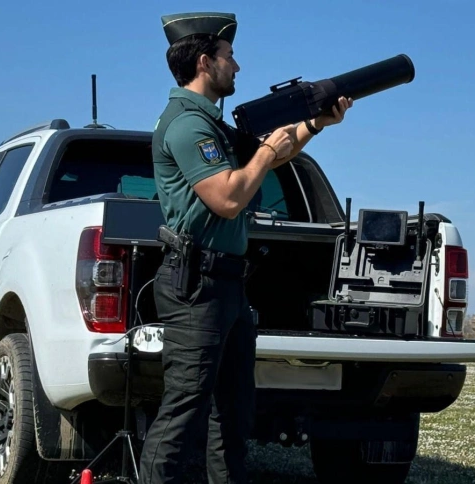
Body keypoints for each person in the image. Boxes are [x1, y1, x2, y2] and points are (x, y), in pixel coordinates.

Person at [139, 11, 353, 484]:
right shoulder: (188, 126)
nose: (237, 67)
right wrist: (265, 152)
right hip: (196, 287)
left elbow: (276, 150)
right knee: (183, 414)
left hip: (227, 284)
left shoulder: (209, 123)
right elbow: (230, 197)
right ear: (204, 62)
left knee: (233, 416)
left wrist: (316, 124)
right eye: (229, 57)